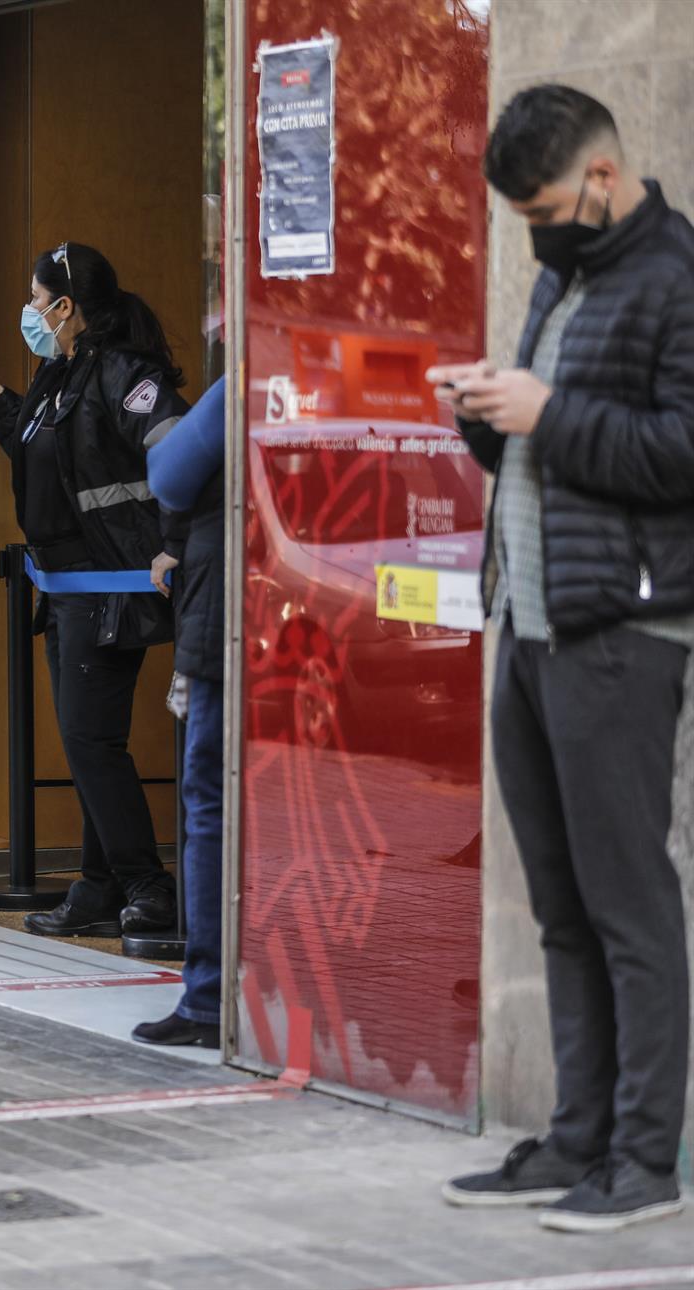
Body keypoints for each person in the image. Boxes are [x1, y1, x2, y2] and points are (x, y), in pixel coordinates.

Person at [432, 86, 693, 1233]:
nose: (533, 230)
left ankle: (644, 1163)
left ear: (599, 177)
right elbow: (554, 452)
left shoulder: (676, 278)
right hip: (531, 626)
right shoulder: (565, 274)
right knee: (562, 907)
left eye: (542, 205)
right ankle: (576, 1140)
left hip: (622, 636)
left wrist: (544, 411)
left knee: (628, 907)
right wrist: (488, 414)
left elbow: (680, 455)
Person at [0, 242, 184, 940]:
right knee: (91, 741)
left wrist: (176, 542)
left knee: (90, 743)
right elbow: (41, 448)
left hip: (116, 585)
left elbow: (180, 446)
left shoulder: (121, 374)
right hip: (71, 587)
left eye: (36, 299)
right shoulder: (60, 372)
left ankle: (144, 884)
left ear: (66, 306)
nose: (31, 312)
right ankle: (102, 884)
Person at [132, 375, 226, 1049]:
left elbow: (169, 470)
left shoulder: (248, 376)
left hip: (228, 618)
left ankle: (210, 997)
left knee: (210, 803)